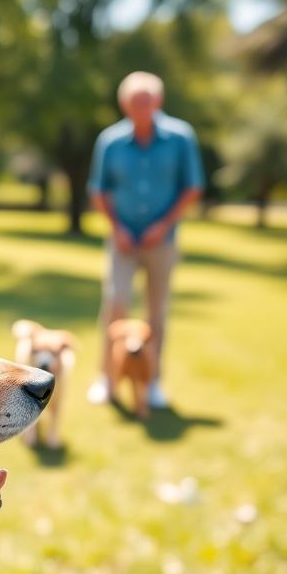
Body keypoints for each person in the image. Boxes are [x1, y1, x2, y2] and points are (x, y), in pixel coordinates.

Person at [86, 71, 204, 409]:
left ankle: (152, 383)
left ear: (159, 101)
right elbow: (99, 190)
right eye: (136, 101)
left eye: (148, 99)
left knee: (157, 312)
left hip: (162, 241)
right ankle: (106, 379)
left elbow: (192, 186)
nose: (142, 106)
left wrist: (164, 225)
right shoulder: (109, 141)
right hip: (122, 238)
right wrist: (117, 227)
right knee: (116, 302)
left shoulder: (181, 137)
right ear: (125, 104)